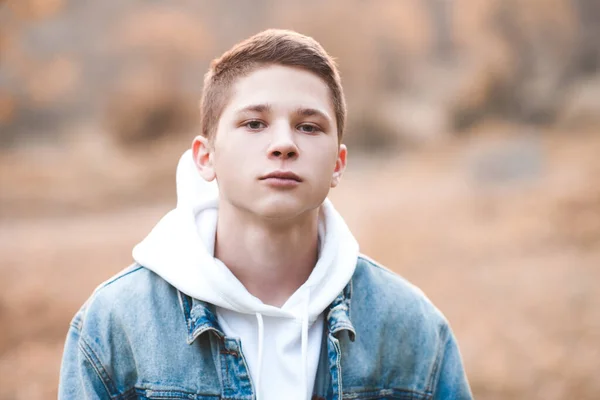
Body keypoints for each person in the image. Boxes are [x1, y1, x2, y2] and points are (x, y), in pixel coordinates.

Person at [59, 29, 473, 400]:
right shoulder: (118, 323)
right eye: (255, 123)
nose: (284, 144)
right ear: (205, 158)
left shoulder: (410, 326)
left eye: (309, 127)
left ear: (337, 165)